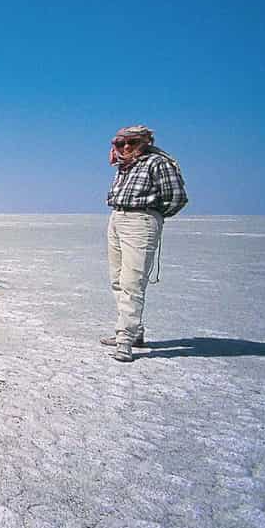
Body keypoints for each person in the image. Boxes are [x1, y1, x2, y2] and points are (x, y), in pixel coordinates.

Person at [100, 125, 188, 363]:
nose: (125, 147)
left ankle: (124, 341)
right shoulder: (124, 166)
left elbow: (177, 197)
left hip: (141, 220)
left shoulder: (157, 163)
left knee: (132, 282)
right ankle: (134, 332)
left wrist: (153, 216)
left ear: (145, 142)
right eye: (120, 144)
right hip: (118, 217)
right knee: (117, 279)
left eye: (132, 142)